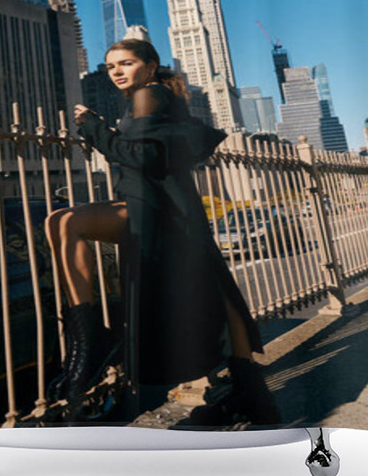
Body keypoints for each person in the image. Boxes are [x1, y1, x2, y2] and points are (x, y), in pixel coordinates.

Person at [43, 38, 281, 426]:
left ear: (150, 67)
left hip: (158, 210)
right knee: (219, 297)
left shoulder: (148, 96)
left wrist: (91, 127)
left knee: (63, 222)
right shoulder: (160, 99)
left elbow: (139, 157)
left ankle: (88, 341)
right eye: (111, 66)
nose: (117, 71)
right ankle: (255, 398)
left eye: (126, 63)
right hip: (171, 208)